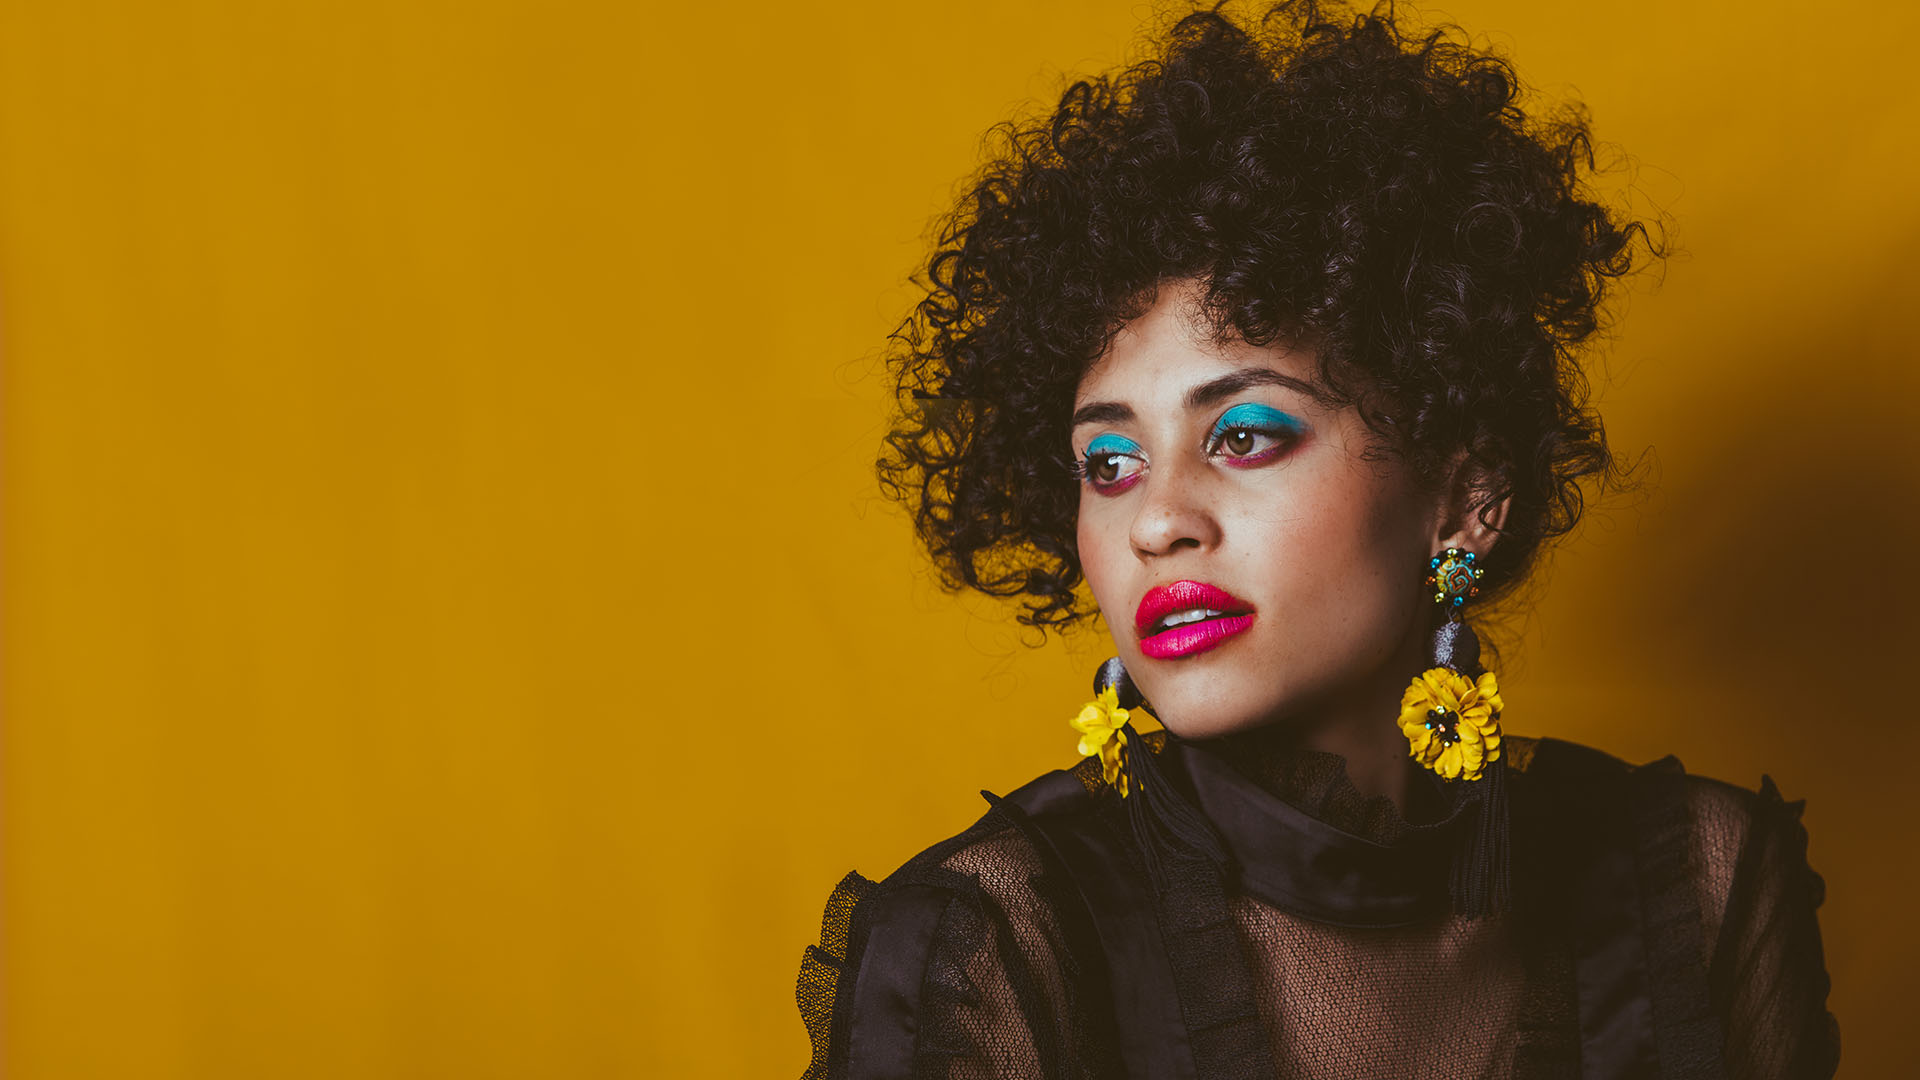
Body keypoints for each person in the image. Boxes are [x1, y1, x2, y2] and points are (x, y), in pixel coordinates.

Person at [794, 3, 1841, 1077]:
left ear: (1467, 496)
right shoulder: (987, 947)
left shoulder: (1694, 890)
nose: (1156, 520)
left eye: (1244, 435)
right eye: (1108, 464)